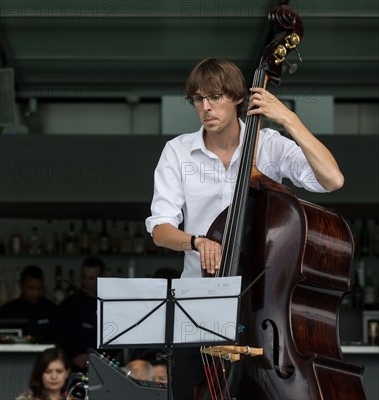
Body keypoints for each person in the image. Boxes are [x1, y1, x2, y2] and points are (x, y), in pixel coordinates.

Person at [145, 58, 345, 398]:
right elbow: (160, 228)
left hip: (263, 306)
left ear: (238, 96)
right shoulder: (177, 152)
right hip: (197, 304)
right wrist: (196, 241)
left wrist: (289, 120)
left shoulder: (269, 145)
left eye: (215, 96)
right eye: (198, 99)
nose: (206, 107)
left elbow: (332, 179)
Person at [59, 256, 105, 372]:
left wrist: (94, 358)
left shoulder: (108, 306)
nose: (85, 282)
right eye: (83, 276)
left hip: (102, 367)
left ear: (100, 279)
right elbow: (60, 336)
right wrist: (74, 355)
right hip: (70, 367)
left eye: (91, 278)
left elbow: (114, 340)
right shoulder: (68, 304)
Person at [0, 265, 61, 344]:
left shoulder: (52, 310)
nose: (36, 293)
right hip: (14, 355)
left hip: (45, 355)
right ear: (22, 286)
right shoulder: (7, 311)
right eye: (31, 288)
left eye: (39, 288)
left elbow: (59, 341)